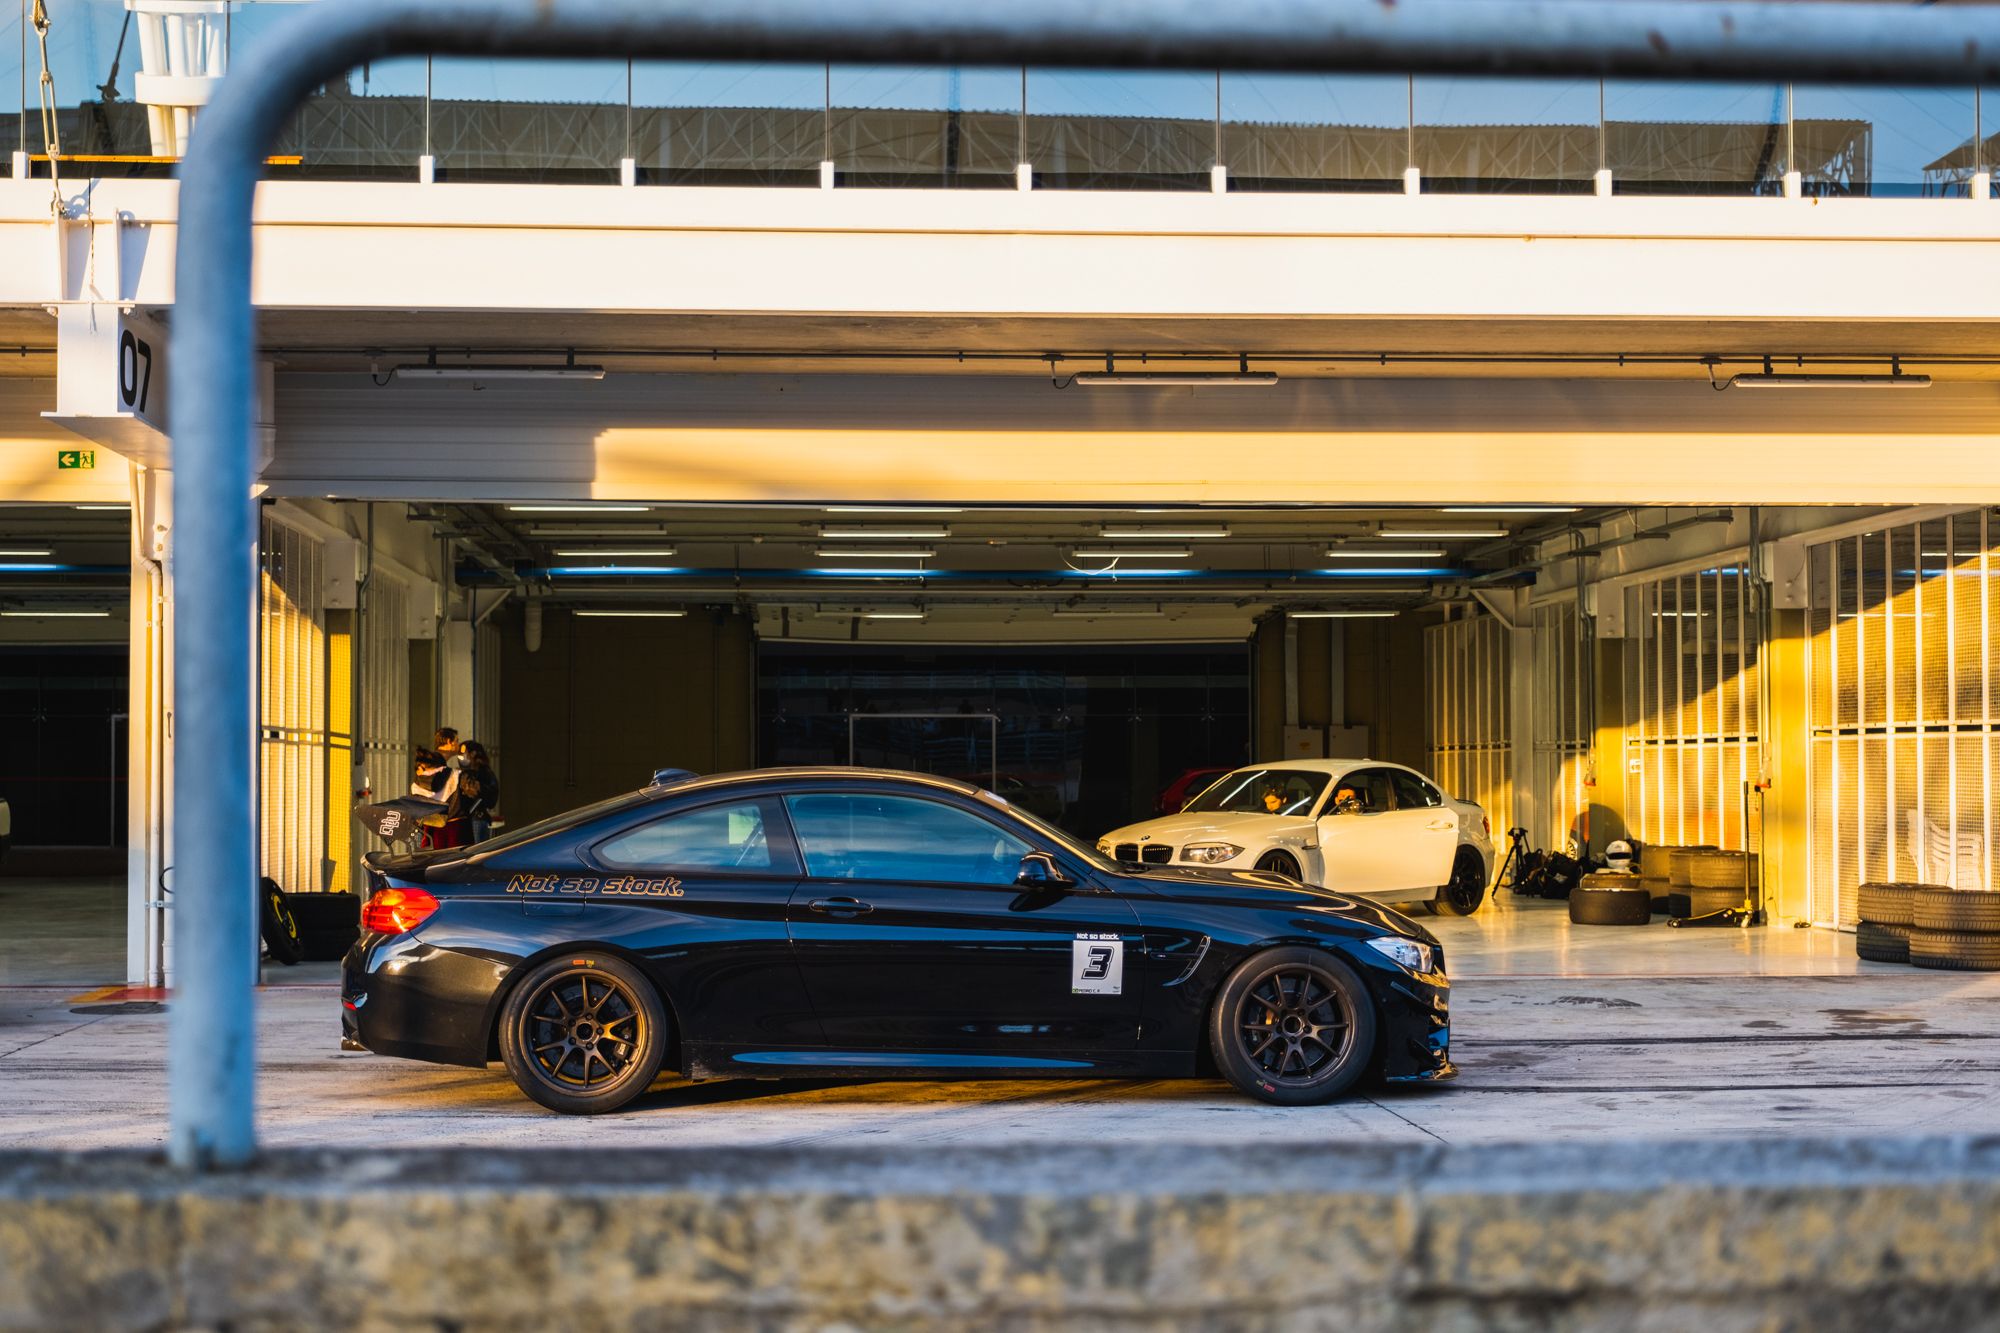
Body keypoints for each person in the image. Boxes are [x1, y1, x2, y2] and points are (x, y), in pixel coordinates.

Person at [438, 740, 501, 847]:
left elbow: (485, 796)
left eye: (463, 752)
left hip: (476, 819)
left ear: (473, 754)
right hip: (468, 820)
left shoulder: (482, 773)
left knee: (475, 852)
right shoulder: (466, 772)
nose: (461, 756)